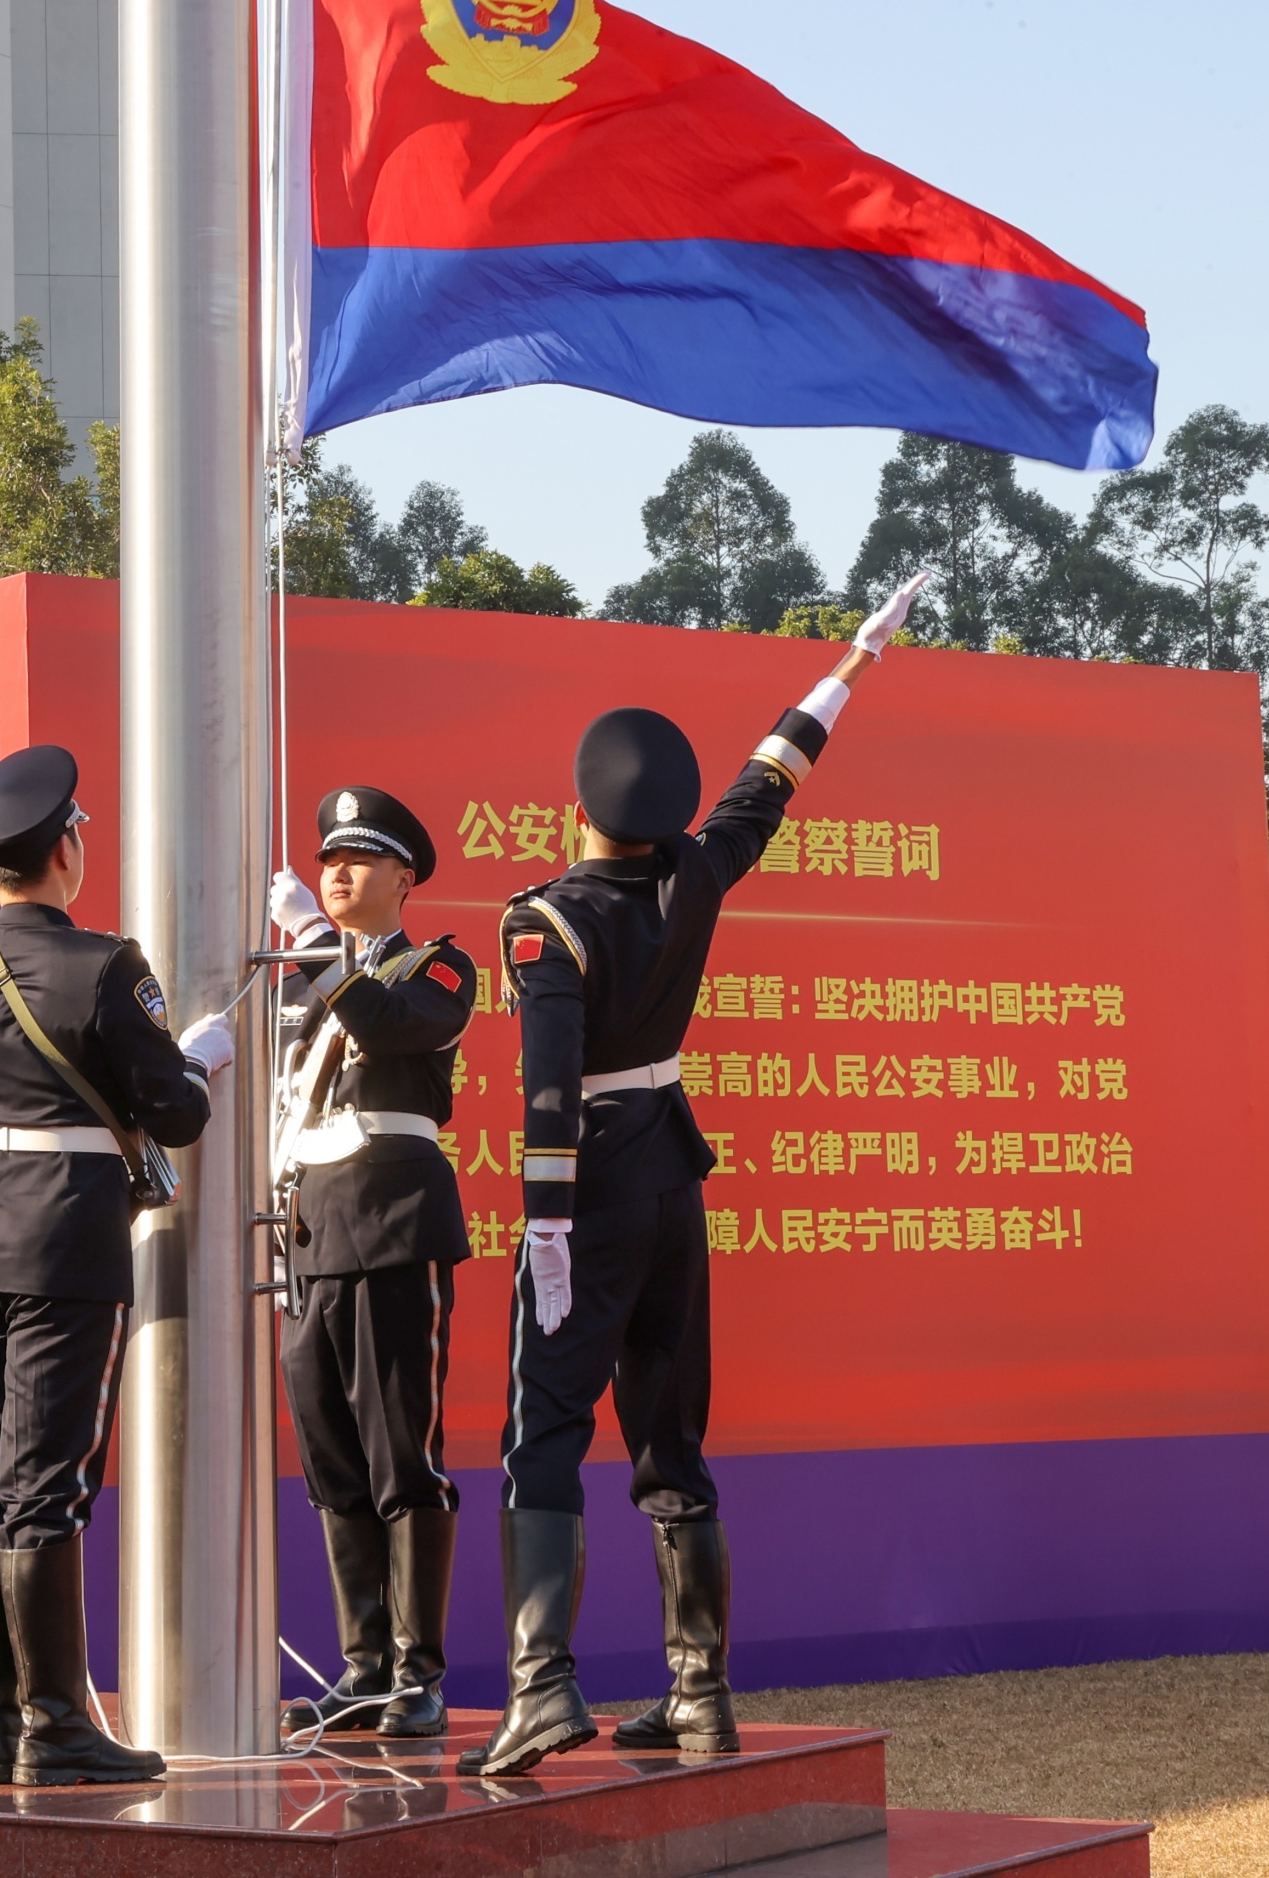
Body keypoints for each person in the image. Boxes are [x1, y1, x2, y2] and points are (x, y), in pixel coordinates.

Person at [462, 572, 929, 1778]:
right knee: (671, 1439)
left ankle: (542, 1683)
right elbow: (770, 779)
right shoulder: (696, 873)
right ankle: (700, 1692)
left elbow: (550, 1098)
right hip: (674, 1170)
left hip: (594, 1191)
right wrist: (851, 664)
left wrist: (550, 1231)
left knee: (543, 1434)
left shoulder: (545, 921)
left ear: (580, 803)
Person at [0, 744, 229, 1788]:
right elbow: (174, 1109)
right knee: (45, 1485)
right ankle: (57, 1724)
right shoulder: (105, 964)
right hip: (67, 1243)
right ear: (66, 850)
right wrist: (199, 1057)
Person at [263, 788, 478, 1740]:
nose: (337, 873)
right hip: (312, 1231)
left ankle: (418, 1677)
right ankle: (363, 1668)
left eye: (360, 859)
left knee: (403, 1454)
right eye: (327, 860)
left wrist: (318, 944)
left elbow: (394, 1028)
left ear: (405, 879)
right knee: (332, 1459)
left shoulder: (441, 967)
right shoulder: (301, 987)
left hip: (394, 1223)